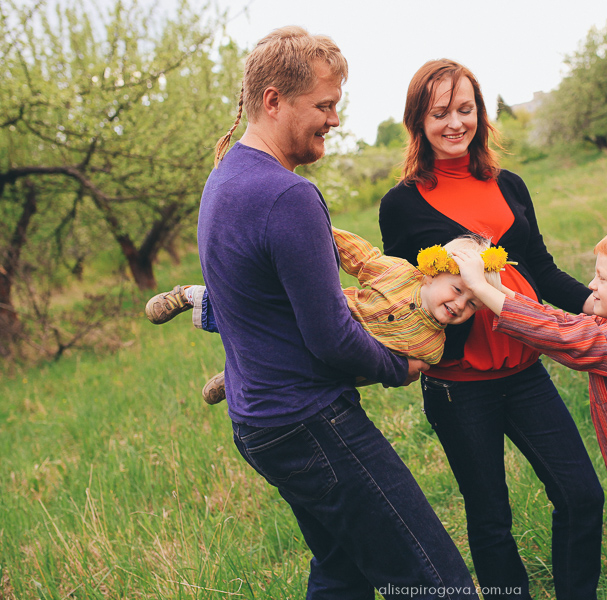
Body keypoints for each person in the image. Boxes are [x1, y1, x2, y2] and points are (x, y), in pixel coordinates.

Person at [195, 27, 479, 598]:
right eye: (324, 106)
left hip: (259, 424)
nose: (335, 120)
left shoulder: (223, 178)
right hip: (309, 421)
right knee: (436, 581)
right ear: (273, 100)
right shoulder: (286, 196)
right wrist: (397, 368)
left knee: (342, 572)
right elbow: (330, 335)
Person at [379, 59, 605, 600]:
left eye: (465, 109)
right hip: (460, 386)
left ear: (480, 113)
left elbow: (543, 269)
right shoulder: (401, 205)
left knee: (581, 495)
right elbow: (402, 297)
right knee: (490, 519)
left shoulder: (510, 184)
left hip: (527, 372)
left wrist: (601, 309)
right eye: (440, 113)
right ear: (418, 121)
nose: (455, 123)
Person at [453, 225, 607, 600]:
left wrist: (484, 291)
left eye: (602, 278)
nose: (591, 284)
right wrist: (498, 290)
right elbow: (560, 323)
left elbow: (562, 338)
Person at [145, 229, 507, 403]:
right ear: (431, 272)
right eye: (458, 290)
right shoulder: (398, 273)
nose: (461, 305)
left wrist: (387, 374)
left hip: (332, 362)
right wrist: (314, 228)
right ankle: (193, 297)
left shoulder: (432, 348)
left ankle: (234, 376)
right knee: (265, 311)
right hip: (320, 315)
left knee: (281, 358)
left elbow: (378, 372)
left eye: (473, 304)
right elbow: (362, 256)